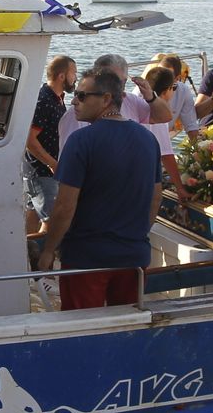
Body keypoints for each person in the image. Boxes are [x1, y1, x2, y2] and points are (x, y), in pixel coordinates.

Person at [36, 68, 164, 310]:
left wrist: (49, 249)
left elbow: (65, 205)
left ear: (106, 99)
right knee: (126, 328)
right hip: (133, 256)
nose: (74, 100)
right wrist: (137, 235)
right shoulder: (148, 139)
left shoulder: (81, 141)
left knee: (80, 329)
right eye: (76, 94)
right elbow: (155, 197)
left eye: (83, 96)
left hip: (87, 258)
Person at [58, 52, 169, 148]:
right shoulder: (77, 113)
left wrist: (151, 97)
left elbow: (164, 117)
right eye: (103, 79)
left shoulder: (131, 101)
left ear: (125, 82)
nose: (109, 84)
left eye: (114, 80)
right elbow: (67, 161)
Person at [23, 55, 75, 231]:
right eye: (73, 73)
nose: (75, 78)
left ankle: (27, 255)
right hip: (41, 170)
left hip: (39, 169)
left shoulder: (56, 98)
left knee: (33, 214)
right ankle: (46, 256)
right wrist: (52, 163)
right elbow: (29, 139)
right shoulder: (45, 101)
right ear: (62, 76)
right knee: (51, 220)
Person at [139, 66, 191, 198]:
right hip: (142, 169)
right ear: (167, 90)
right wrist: (180, 188)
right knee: (156, 198)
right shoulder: (159, 112)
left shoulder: (136, 99)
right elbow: (166, 154)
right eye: (173, 88)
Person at [146, 53, 202, 140]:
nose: (160, 78)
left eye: (166, 76)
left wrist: (199, 149)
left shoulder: (184, 92)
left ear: (177, 78)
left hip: (164, 138)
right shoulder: (143, 90)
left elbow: (191, 125)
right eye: (159, 73)